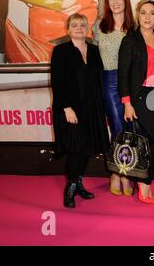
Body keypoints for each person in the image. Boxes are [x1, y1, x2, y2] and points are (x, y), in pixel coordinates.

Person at [50, 13, 110, 208]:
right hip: (70, 109)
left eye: (82, 25)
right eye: (74, 25)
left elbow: (99, 79)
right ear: (68, 29)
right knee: (76, 150)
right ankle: (71, 188)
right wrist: (67, 108)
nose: (79, 28)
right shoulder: (60, 51)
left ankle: (79, 184)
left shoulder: (94, 50)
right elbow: (57, 83)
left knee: (87, 149)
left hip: (92, 108)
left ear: (88, 28)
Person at [118, 0, 154, 204]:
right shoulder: (130, 40)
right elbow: (123, 74)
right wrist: (127, 103)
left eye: (152, 13)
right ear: (137, 15)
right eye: (143, 13)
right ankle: (144, 180)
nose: (147, 17)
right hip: (141, 97)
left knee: (150, 141)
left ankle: (142, 179)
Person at [93, 0, 135, 196]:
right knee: (118, 129)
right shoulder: (99, 26)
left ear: (126, 1)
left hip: (132, 83)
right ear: (107, 3)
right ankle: (119, 174)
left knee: (130, 130)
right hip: (109, 82)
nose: (116, 2)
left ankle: (124, 172)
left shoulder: (134, 27)